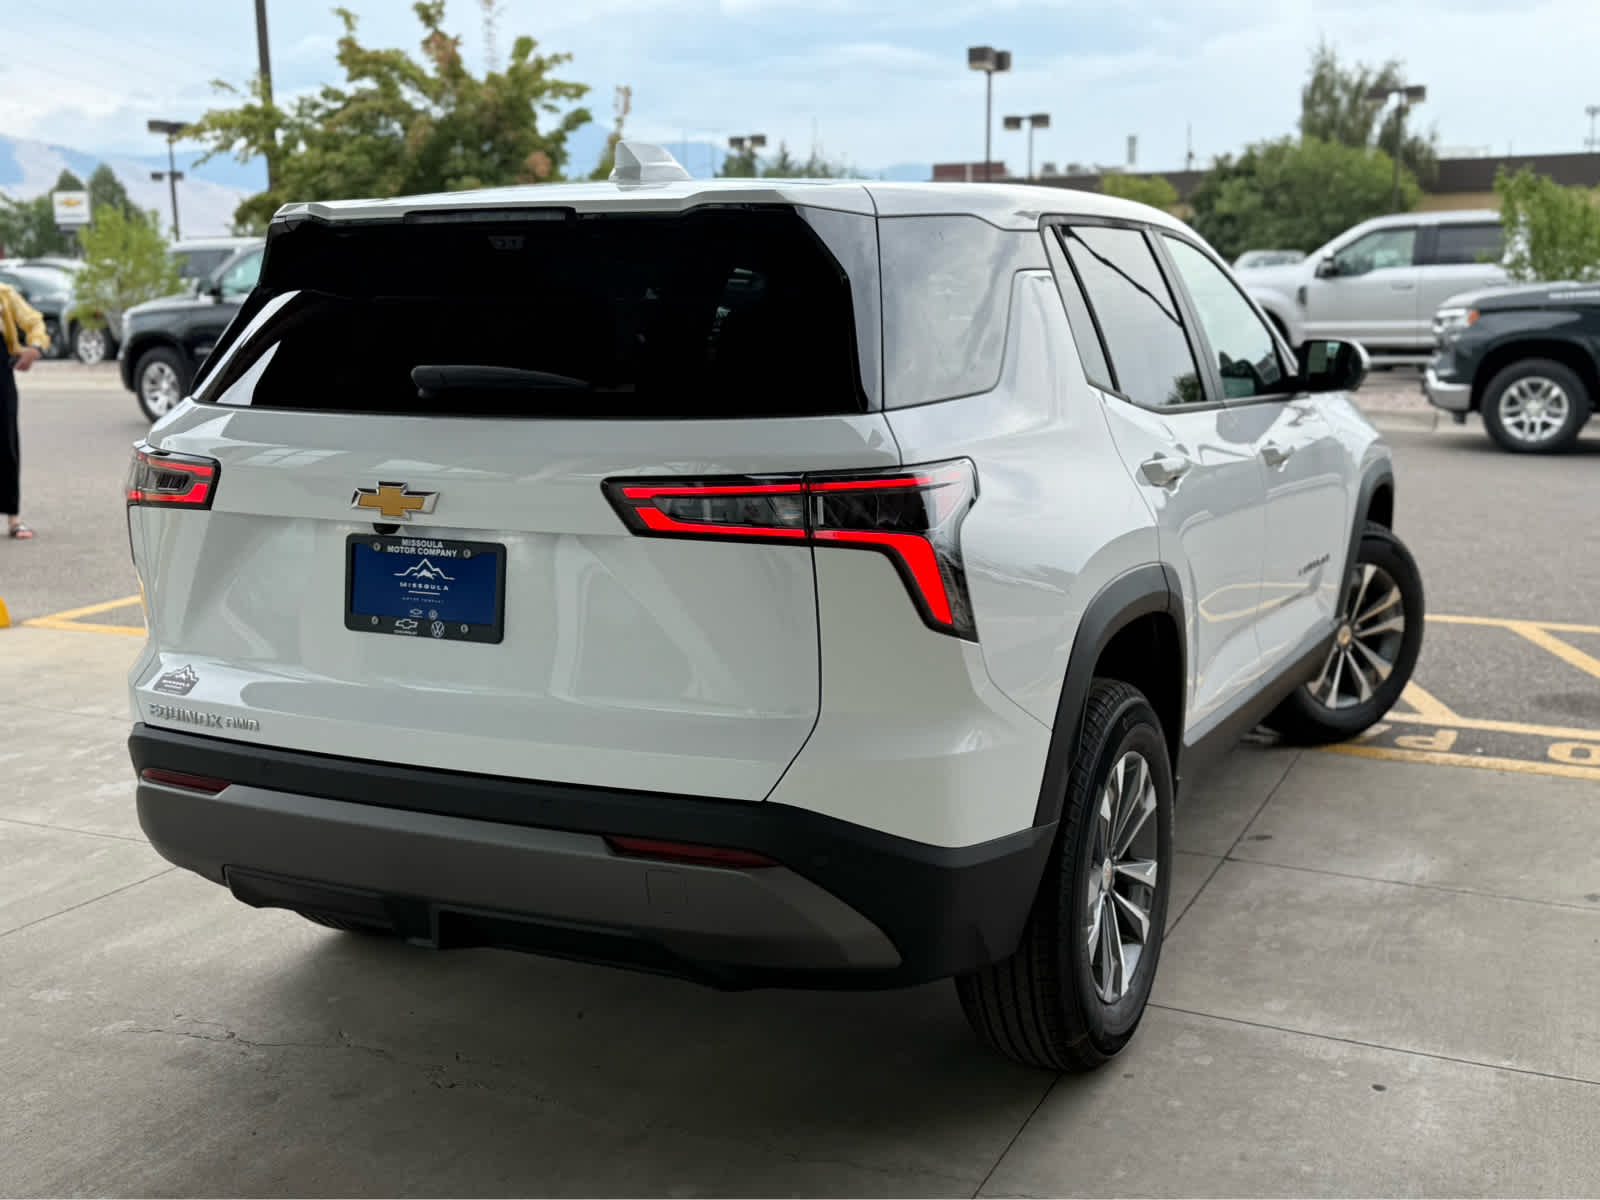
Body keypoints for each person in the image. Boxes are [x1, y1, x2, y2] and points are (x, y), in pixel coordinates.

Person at [1, 278, 50, 540]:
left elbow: (34, 321)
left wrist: (35, 347)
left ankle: (13, 519)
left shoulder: (4, 294)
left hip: (1, 372)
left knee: (6, 440)